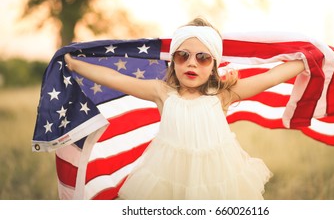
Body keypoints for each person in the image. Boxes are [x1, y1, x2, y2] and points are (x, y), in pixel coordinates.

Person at [64, 17, 305, 199]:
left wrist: (308, 58)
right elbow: (114, 78)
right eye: (183, 56)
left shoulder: (222, 94)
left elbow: (272, 77)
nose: (192, 63)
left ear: (213, 66)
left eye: (203, 58)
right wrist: (74, 65)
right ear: (173, 61)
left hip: (217, 179)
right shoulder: (162, 92)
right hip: (167, 179)